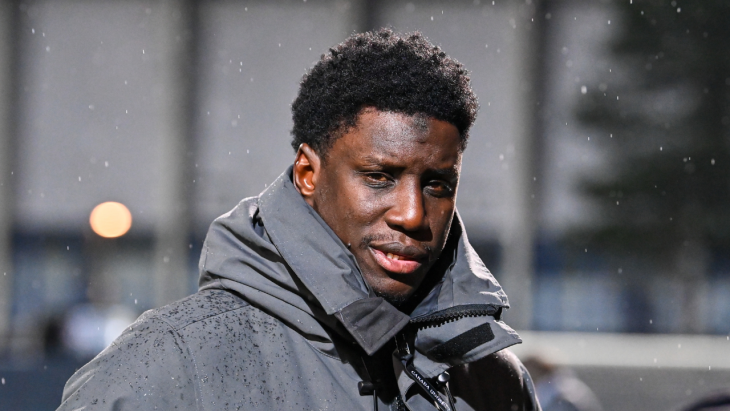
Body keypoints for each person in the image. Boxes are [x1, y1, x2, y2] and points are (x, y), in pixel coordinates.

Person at [57, 29, 541, 411]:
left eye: (437, 185)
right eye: (379, 178)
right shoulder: (166, 367)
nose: (412, 214)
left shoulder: (494, 383)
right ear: (308, 174)